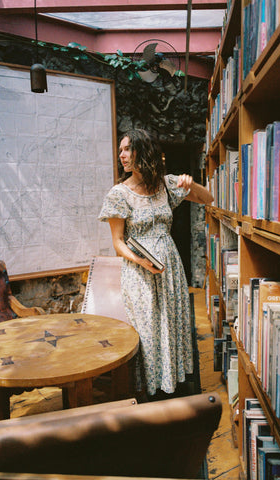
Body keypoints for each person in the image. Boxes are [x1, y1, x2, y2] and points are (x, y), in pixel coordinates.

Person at [99, 129, 213, 400]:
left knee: (172, 324)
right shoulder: (119, 194)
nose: (122, 156)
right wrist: (141, 261)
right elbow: (118, 242)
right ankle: (150, 392)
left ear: (143, 150)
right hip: (139, 273)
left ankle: (174, 386)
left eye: (127, 149)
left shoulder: (165, 185)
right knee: (148, 330)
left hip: (170, 269)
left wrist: (190, 183)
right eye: (120, 151)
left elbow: (207, 198)